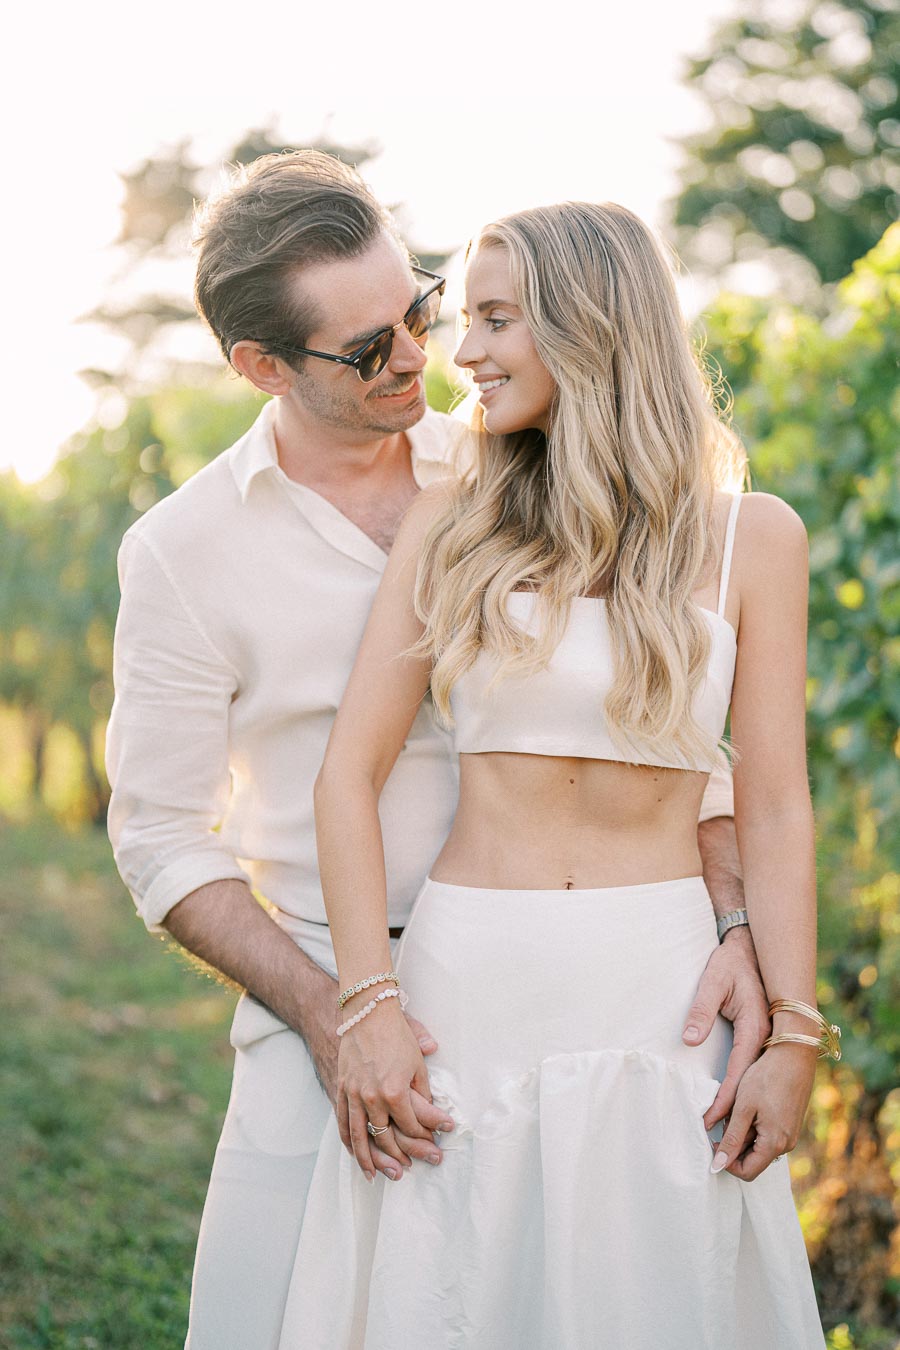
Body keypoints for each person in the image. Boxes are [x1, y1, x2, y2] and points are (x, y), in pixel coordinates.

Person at [105, 153, 766, 1350]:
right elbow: (156, 836)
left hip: (578, 985)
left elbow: (670, 720)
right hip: (321, 1001)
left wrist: (733, 925)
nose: (419, 356)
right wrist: (335, 1010)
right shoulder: (182, 553)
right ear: (262, 367)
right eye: (366, 351)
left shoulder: (512, 457)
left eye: (415, 308)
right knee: (271, 1324)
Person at [277, 202, 833, 1348]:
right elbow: (347, 778)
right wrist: (367, 1003)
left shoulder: (753, 539)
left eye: (494, 318)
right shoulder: (453, 526)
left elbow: (775, 804)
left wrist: (793, 1032)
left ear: (592, 325)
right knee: (457, 1297)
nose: (460, 352)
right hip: (465, 987)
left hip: (663, 995)